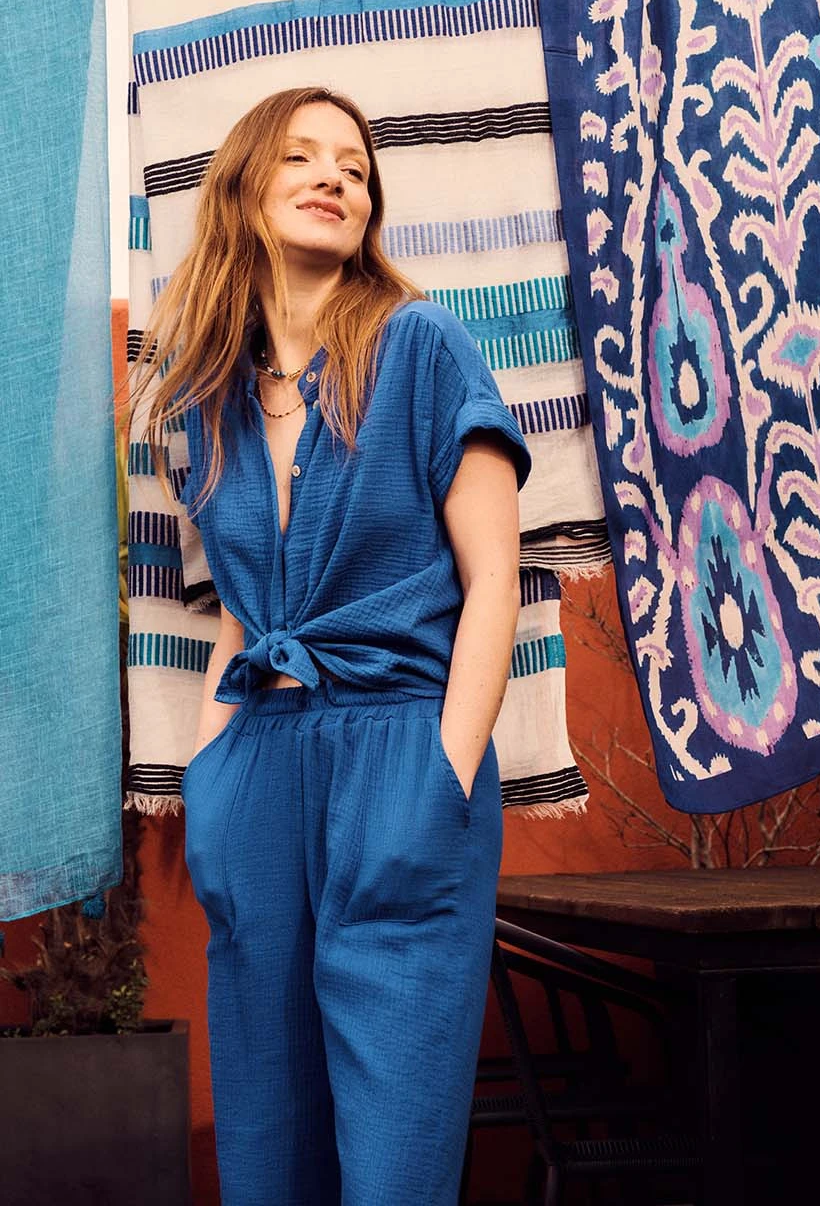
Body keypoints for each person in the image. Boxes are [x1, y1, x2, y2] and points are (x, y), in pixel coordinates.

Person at [127, 85, 531, 1205]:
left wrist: (444, 773)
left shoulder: (424, 348)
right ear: (244, 190)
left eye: (354, 167)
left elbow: (495, 580)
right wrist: (208, 775)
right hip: (257, 762)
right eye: (302, 157)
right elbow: (238, 612)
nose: (334, 178)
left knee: (395, 1157)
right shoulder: (207, 401)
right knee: (269, 1145)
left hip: (400, 751)